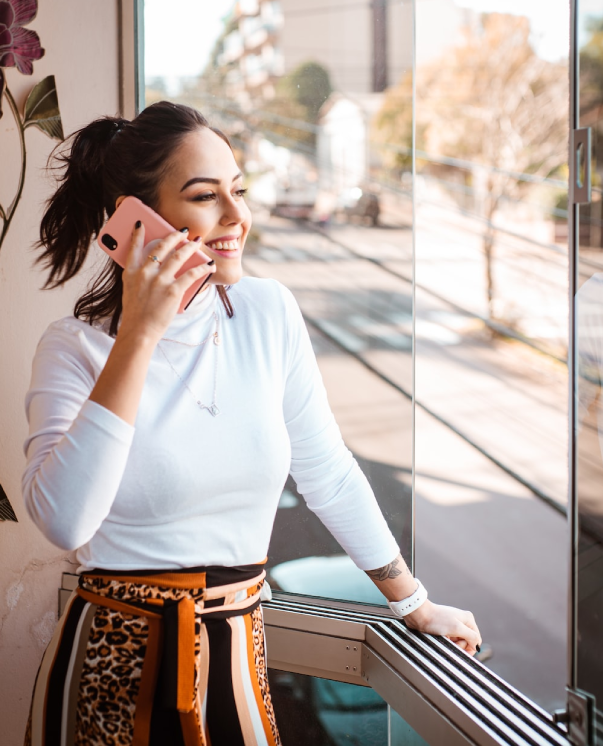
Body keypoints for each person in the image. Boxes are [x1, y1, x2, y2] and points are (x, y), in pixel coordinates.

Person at [22, 101, 481, 746]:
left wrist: (412, 602)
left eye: (238, 191)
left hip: (237, 661)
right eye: (206, 196)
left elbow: (327, 472)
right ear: (136, 219)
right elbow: (65, 521)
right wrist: (139, 333)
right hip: (109, 665)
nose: (237, 218)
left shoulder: (268, 313)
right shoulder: (73, 348)